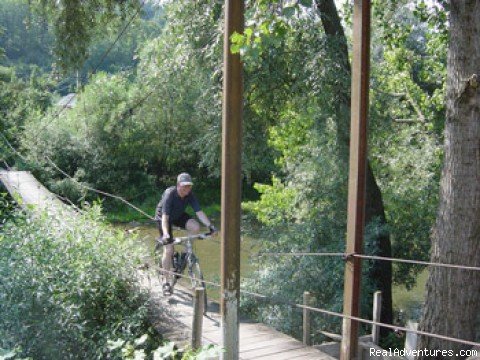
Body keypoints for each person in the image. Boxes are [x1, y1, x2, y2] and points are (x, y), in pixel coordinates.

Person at [155, 172, 217, 295]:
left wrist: (211, 226)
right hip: (163, 217)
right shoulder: (170, 194)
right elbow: (165, 218)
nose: (187, 189)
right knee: (168, 249)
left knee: (195, 226)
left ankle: (184, 255)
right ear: (178, 185)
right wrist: (167, 234)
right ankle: (166, 282)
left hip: (178, 215)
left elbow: (199, 212)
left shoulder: (190, 195)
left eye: (189, 186)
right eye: (184, 186)